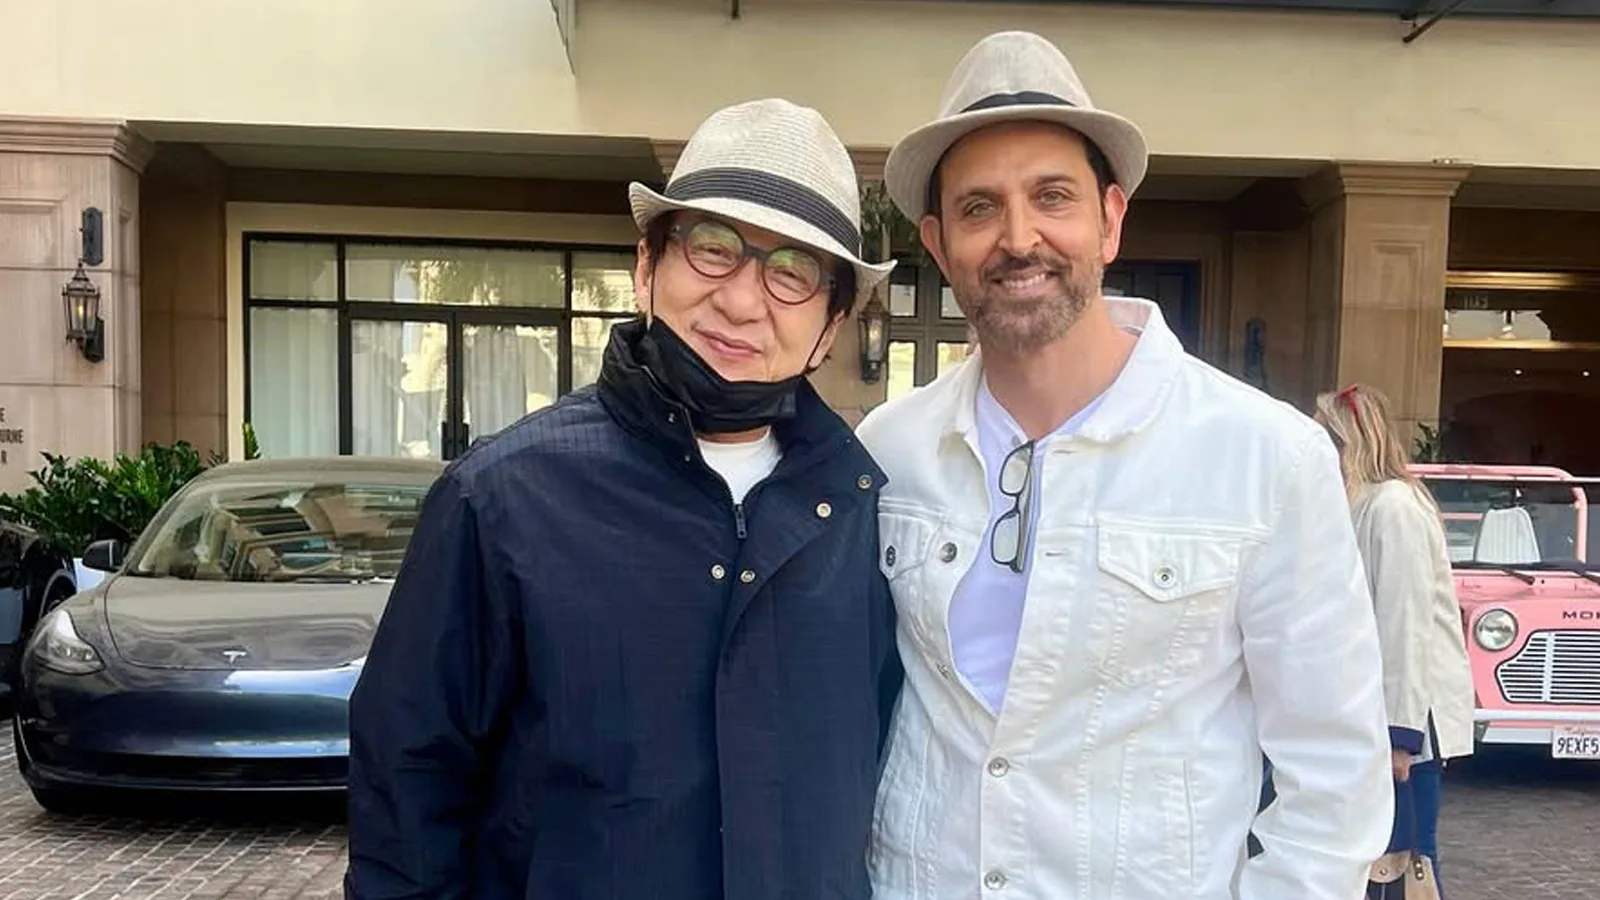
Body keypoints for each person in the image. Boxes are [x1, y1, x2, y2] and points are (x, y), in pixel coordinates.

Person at [857, 31, 1395, 900]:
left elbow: (1334, 771)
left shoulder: (1263, 455)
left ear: (1110, 218)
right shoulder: (889, 449)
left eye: (1052, 197)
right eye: (980, 207)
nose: (1018, 237)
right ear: (939, 239)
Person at [344, 98, 902, 900]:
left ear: (831, 325)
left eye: (793, 272)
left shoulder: (857, 506)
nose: (744, 301)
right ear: (647, 266)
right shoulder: (501, 500)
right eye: (714, 249)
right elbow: (408, 788)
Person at [1315, 383, 1475, 889]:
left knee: (1407, 864)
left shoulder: (1392, 508)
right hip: (1371, 714)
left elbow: (1403, 624)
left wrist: (1398, 737)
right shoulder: (1361, 504)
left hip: (1403, 721)